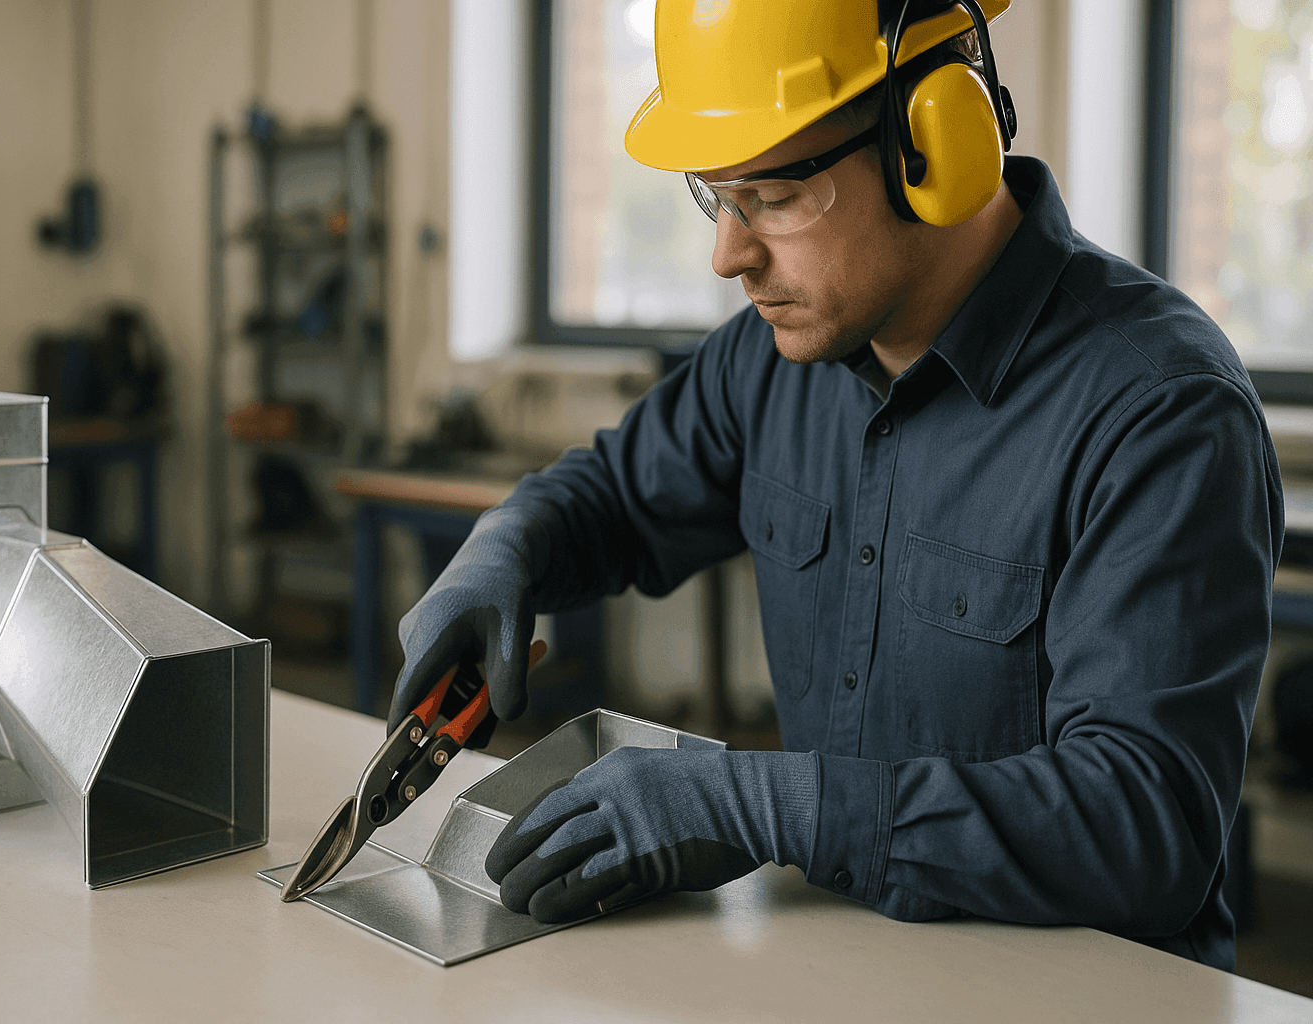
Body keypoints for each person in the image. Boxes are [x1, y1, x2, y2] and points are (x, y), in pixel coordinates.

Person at [389, 0, 1283, 972]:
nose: (728, 255)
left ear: (932, 143)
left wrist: (764, 805)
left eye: (770, 196)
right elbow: (613, 494)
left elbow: (1144, 822)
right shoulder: (771, 362)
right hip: (847, 971)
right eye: (715, 197)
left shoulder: (1159, 409)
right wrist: (507, 547)